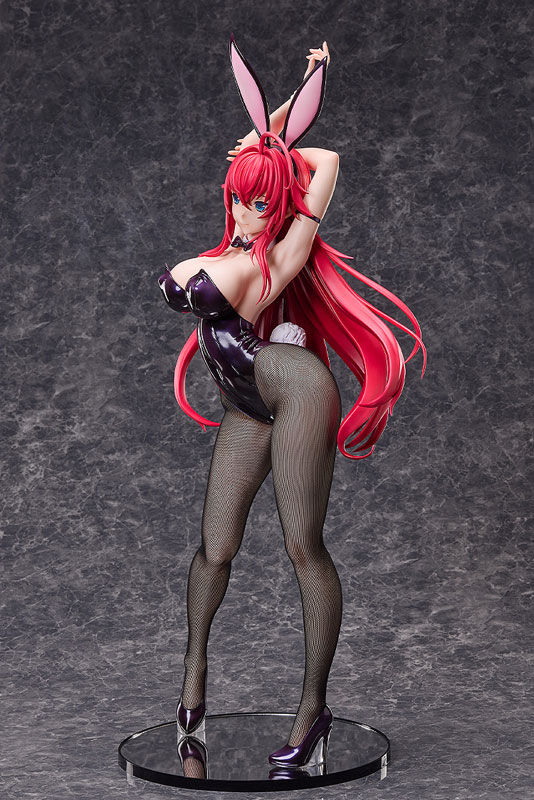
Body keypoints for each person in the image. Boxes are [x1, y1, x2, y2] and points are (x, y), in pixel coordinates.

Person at [158, 38, 426, 770]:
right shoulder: (230, 250)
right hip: (249, 401)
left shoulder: (280, 256)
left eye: (260, 201)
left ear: (278, 201)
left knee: (302, 546)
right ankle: (191, 681)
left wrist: (290, 131)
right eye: (238, 198)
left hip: (298, 387)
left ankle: (313, 711)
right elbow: (258, 157)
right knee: (215, 546)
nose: (246, 214)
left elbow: (327, 160)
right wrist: (268, 133)